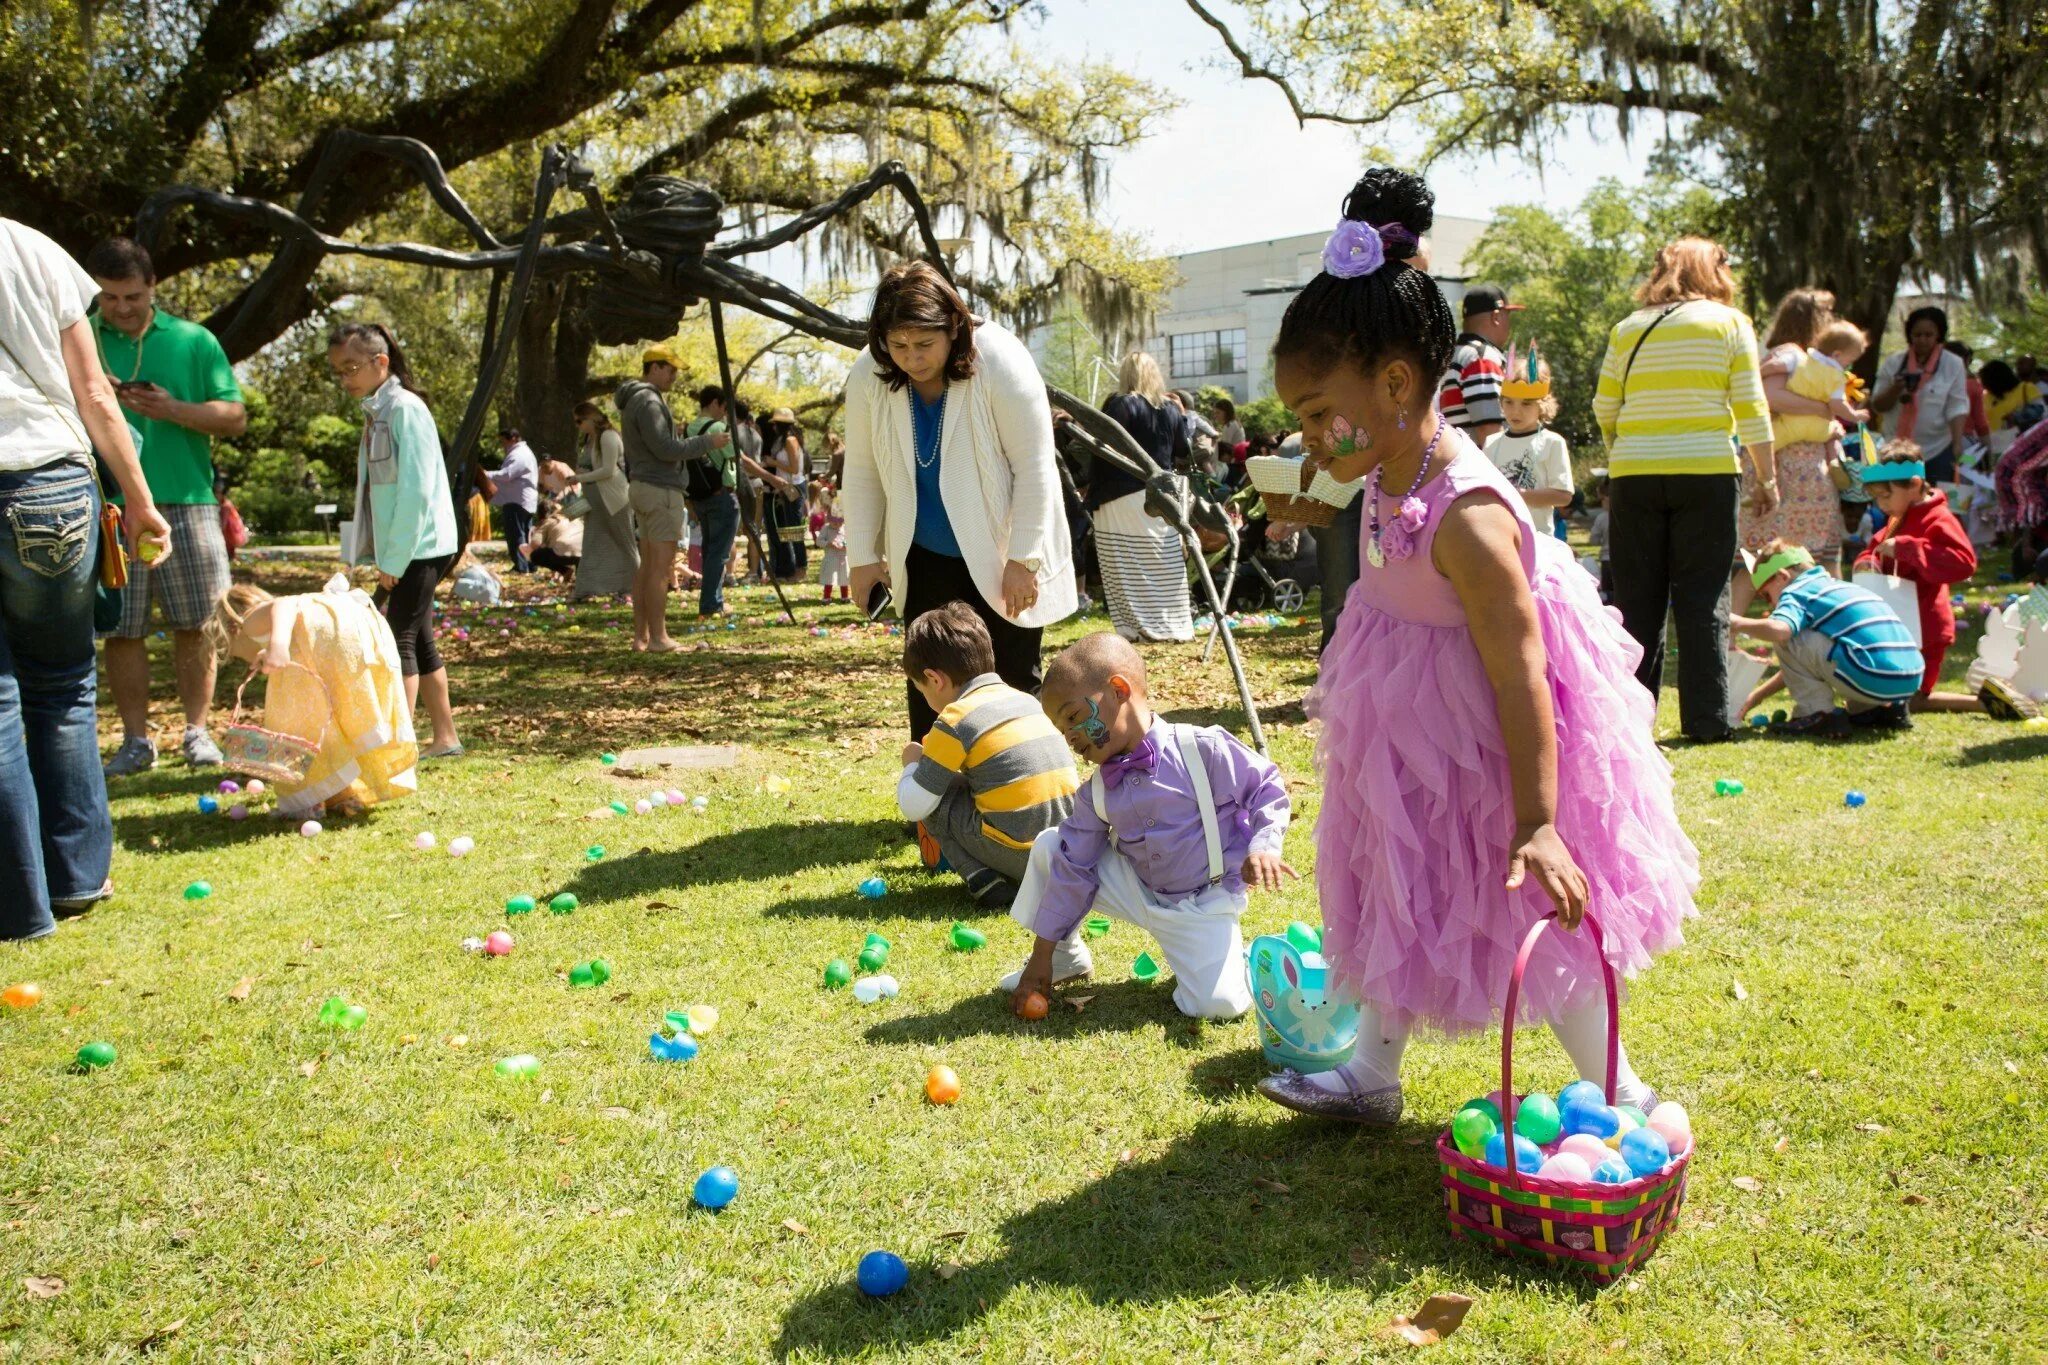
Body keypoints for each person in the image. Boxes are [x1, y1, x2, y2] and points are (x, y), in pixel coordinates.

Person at [1256, 169, 1696, 1123]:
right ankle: (1373, 1069)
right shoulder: (1384, 456)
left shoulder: (1470, 515)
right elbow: (1360, 517)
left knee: (1526, 902)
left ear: (1397, 382)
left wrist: (1538, 818)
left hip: (1494, 738)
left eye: (1311, 412)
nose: (1306, 435)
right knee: (1394, 875)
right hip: (1406, 720)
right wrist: (1300, 491)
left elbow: (1522, 673)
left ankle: (1619, 1086)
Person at [0, 218, 172, 940]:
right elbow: (94, 392)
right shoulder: (31, 247)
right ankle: (75, 880)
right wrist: (138, 498)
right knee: (63, 683)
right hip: (49, 484)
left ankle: (19, 905)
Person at [842, 261, 1076, 739]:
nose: (912, 358)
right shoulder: (869, 374)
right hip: (922, 556)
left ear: (953, 327)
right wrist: (863, 557)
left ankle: (1020, 797)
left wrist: (1024, 559)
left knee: (1010, 678)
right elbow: (861, 470)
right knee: (933, 679)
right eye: (898, 345)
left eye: (925, 344)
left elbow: (1034, 465)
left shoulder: (1001, 357)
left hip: (1001, 551)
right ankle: (937, 803)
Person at [1003, 633, 1290, 1020]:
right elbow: (1074, 867)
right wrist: (1042, 957)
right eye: (1061, 730)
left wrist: (1264, 846)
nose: (1070, 736)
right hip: (1136, 889)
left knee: (1218, 1006)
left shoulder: (1202, 749)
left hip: (1200, 904)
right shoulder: (1096, 791)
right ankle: (1066, 959)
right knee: (1053, 848)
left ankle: (1232, 957)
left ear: (1119, 690)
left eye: (1073, 717)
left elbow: (1266, 788)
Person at [1593, 236, 1777, 742]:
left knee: (1637, 600)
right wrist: (1768, 476)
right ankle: (1706, 721)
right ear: (1714, 271)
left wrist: (1624, 449)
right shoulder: (1729, 324)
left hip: (1634, 474)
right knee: (1702, 599)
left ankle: (1634, 721)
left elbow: (1604, 407)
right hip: (1707, 472)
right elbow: (1752, 410)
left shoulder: (1627, 329)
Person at [85, 237, 247, 776]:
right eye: (109, 298)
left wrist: (172, 408)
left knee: (198, 623)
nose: (122, 308)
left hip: (188, 501)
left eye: (131, 296)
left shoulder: (193, 340)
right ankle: (136, 741)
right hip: (108, 505)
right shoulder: (78, 339)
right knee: (122, 628)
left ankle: (198, 733)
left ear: (153, 286)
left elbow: (234, 418)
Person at [330, 322, 462, 759]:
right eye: (339, 371)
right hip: (404, 548)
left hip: (423, 546)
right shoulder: (377, 411)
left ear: (380, 363)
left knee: (397, 637)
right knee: (419, 638)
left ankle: (395, 751)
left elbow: (417, 490)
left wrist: (397, 557)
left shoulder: (405, 409)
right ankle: (445, 738)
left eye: (351, 368)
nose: (345, 378)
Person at [896, 603, 1079, 907]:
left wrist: (912, 764)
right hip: (1066, 851)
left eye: (921, 689)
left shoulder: (955, 718)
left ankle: (980, 876)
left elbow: (915, 805)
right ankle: (997, 872)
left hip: (1023, 856)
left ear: (934, 679)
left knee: (932, 795)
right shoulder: (1023, 700)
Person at [206, 579, 417, 820]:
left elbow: (283, 604)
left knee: (298, 724)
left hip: (335, 634)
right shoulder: (300, 628)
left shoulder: (250, 621)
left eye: (235, 651)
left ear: (233, 629)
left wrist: (277, 645)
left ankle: (308, 800)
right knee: (329, 720)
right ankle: (340, 793)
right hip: (355, 631)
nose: (245, 660)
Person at [1730, 539, 1922, 736]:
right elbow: (1805, 664)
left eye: (1767, 596)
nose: (1770, 605)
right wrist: (1757, 697)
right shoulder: (1839, 588)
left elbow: (1781, 632)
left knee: (1787, 637)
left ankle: (1817, 714)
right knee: (1813, 640)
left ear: (1781, 576)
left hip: (1871, 673)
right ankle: (1878, 711)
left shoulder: (1797, 591)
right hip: (1909, 679)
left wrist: (1735, 622)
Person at [615, 349, 729, 649]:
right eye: (670, 369)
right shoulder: (649, 401)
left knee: (647, 565)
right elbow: (665, 448)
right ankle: (659, 637)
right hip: (659, 489)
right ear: (654, 367)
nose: (674, 376)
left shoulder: (633, 400)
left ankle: (641, 637)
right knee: (659, 568)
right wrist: (708, 442)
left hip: (643, 485)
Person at [1852, 445, 1979, 710]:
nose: (1881, 505)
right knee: (1885, 695)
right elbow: (1875, 547)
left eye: (1886, 496)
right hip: (1898, 623)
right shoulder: (1899, 516)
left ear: (1914, 484)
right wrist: (1867, 562)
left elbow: (1963, 562)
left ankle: (1979, 704)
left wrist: (1908, 548)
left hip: (1927, 626)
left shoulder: (1939, 518)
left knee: (1911, 697)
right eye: (1877, 499)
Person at [1094, 352, 1194, 642]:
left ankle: (1135, 625)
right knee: (1162, 562)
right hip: (1159, 496)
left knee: (1124, 562)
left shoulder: (1122, 404)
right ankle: (1173, 623)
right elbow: (1182, 450)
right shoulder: (1172, 410)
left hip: (1120, 491)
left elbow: (1105, 445)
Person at [1870, 306, 1970, 483]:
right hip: (1895, 448)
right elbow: (1878, 406)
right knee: (1897, 506)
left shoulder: (1952, 364)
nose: (1922, 340)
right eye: (1917, 335)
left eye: (1928, 335)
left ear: (1938, 334)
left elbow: (1957, 405)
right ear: (1910, 335)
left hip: (1937, 449)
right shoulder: (1894, 362)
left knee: (1934, 504)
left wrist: (1957, 443)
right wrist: (1896, 388)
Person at [1481, 348, 1573, 534]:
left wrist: (1521, 495)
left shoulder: (1552, 443)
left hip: (1539, 540)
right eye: (1509, 402)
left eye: (1526, 403)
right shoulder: (1491, 443)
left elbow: (1563, 496)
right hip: (1499, 537)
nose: (1516, 411)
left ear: (1542, 404)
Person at [569, 401, 637, 599]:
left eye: (579, 421)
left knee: (625, 543)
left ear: (591, 418)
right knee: (592, 544)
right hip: (594, 499)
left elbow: (608, 470)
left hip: (614, 499)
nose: (578, 426)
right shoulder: (589, 440)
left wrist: (579, 477)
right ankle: (585, 589)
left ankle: (633, 586)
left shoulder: (608, 436)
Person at [1439, 284, 1518, 445]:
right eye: (1507, 315)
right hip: (1480, 465)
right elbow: (1489, 430)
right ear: (1496, 317)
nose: (1509, 324)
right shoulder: (1482, 359)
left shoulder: (1454, 354)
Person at [761, 406, 810, 583]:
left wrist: (773, 462)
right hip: (786, 488)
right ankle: (794, 567)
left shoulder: (790, 440)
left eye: (775, 424)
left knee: (794, 530)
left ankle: (801, 568)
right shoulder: (783, 440)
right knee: (788, 529)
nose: (773, 427)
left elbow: (794, 468)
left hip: (794, 488)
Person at [483, 427, 538, 572]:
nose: (502, 445)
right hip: (522, 500)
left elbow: (507, 474)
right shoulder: (522, 452)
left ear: (513, 438)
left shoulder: (520, 454)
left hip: (516, 501)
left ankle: (522, 567)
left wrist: (486, 474)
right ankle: (529, 565)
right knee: (526, 535)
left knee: (517, 535)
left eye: (503, 441)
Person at [523, 497, 582, 580]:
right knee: (577, 549)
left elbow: (534, 544)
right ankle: (581, 577)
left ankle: (565, 571)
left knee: (535, 556)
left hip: (564, 554)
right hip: (584, 552)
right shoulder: (571, 516)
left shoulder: (548, 521)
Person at [813, 484, 849, 601]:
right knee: (829, 578)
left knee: (844, 577)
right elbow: (819, 541)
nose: (836, 525)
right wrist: (828, 543)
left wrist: (845, 545)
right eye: (834, 523)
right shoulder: (826, 529)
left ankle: (844, 596)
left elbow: (849, 540)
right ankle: (827, 596)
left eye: (839, 523)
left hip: (843, 558)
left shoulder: (845, 528)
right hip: (831, 557)